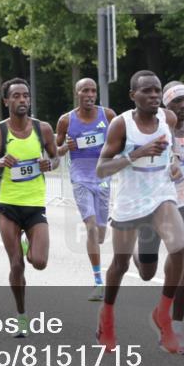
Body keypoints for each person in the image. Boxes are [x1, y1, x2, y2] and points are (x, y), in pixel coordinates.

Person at [95, 70, 184, 354]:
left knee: (179, 248)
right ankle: (106, 318)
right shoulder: (121, 125)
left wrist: (172, 165)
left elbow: (168, 153)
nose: (154, 96)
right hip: (129, 200)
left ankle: (164, 315)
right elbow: (101, 169)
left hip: (161, 194)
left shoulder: (167, 119)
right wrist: (136, 153)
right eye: (146, 91)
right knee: (120, 266)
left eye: (157, 91)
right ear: (132, 95)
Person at [0, 78, 62, 337]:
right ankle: (22, 316)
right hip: (9, 206)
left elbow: (56, 156)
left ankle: (28, 245)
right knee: (16, 265)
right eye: (16, 96)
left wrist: (50, 163)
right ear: (6, 101)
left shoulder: (43, 129)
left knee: (38, 262)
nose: (22, 100)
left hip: (35, 205)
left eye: (25, 95)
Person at [132, 82, 184, 354]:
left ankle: (174, 326)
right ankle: (138, 257)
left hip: (180, 200)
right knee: (146, 272)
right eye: (177, 102)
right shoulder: (154, 129)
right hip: (152, 200)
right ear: (166, 106)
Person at [55, 78, 116, 301]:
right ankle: (98, 281)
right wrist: (64, 147)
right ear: (77, 93)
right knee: (90, 227)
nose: (90, 95)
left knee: (100, 234)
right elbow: (55, 153)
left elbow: (120, 140)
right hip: (79, 177)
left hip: (102, 177)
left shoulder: (108, 115)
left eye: (93, 91)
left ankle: (103, 226)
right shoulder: (66, 120)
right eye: (85, 91)